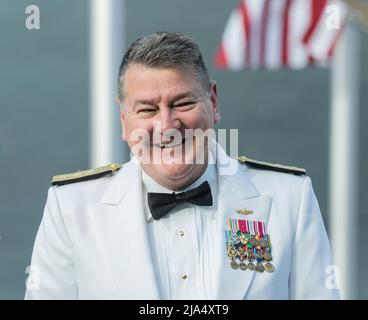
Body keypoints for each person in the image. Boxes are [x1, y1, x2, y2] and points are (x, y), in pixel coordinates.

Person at [25, 32, 340, 300]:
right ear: (124, 121)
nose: (167, 125)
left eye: (183, 103)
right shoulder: (71, 209)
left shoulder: (289, 198)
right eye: (147, 109)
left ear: (213, 103)